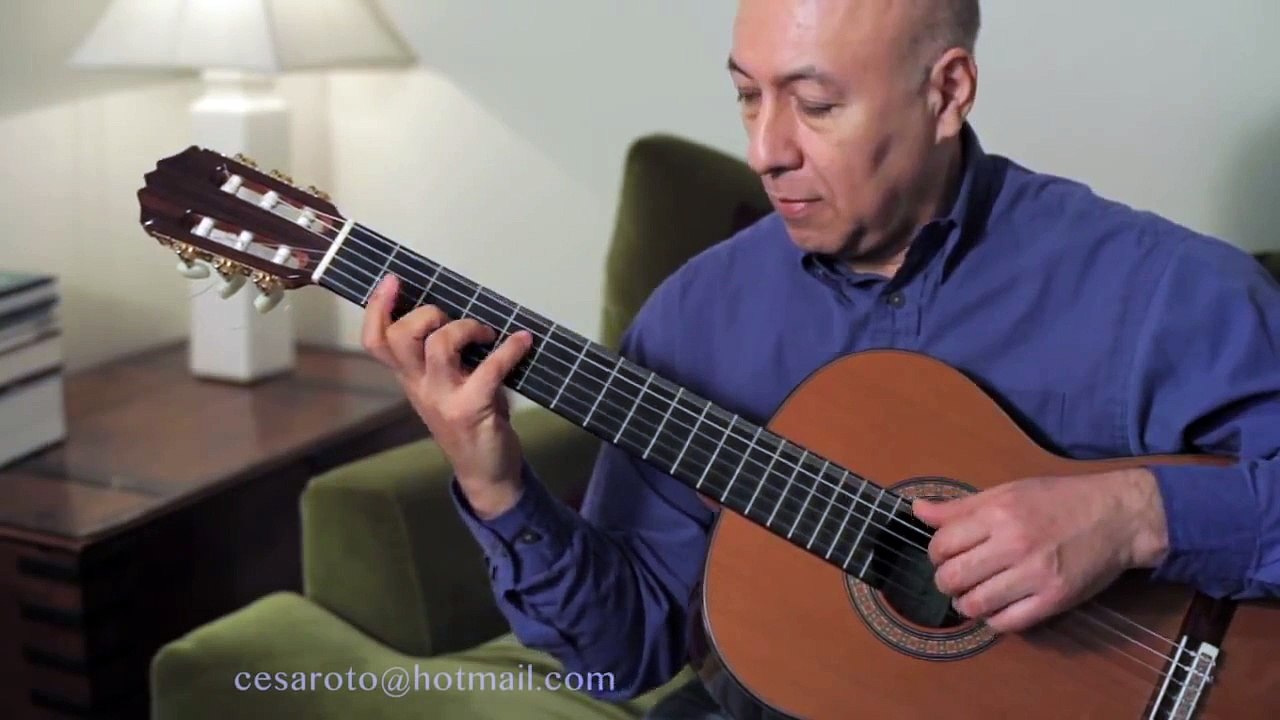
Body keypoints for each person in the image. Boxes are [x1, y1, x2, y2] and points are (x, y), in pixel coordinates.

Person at [360, 0, 1280, 717]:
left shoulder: (1160, 291)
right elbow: (622, 657)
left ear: (947, 91)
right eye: (747, 96)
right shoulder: (696, 320)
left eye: (815, 105)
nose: (765, 150)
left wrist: (1132, 515)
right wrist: (495, 486)